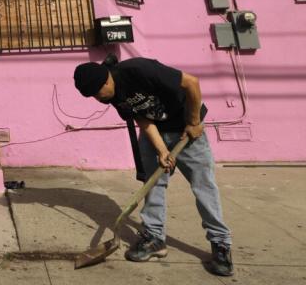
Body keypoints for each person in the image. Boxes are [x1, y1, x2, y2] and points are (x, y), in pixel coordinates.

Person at [73, 57, 234, 277]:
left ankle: (221, 244)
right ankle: (154, 239)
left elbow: (192, 83)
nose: (99, 97)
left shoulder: (139, 70)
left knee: (203, 186)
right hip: (155, 134)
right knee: (153, 185)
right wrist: (161, 149)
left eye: (99, 90)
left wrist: (194, 122)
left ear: (106, 78)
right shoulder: (111, 96)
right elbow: (143, 119)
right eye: (92, 95)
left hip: (187, 130)